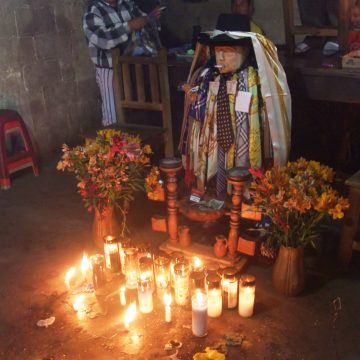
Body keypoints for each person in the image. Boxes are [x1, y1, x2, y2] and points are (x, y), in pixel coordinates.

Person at [179, 14, 291, 198]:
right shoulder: (207, 76)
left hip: (243, 140)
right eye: (217, 50)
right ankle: (212, 193)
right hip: (212, 140)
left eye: (228, 51)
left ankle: (241, 195)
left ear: (244, 51)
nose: (220, 57)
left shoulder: (257, 81)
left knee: (241, 163)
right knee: (211, 163)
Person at [83, 0, 162, 127]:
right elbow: (102, 39)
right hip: (109, 71)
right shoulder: (94, 11)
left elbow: (145, 25)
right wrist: (129, 26)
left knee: (137, 115)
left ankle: (136, 145)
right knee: (113, 118)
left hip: (132, 67)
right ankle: (113, 145)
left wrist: (150, 19)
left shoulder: (127, 4)